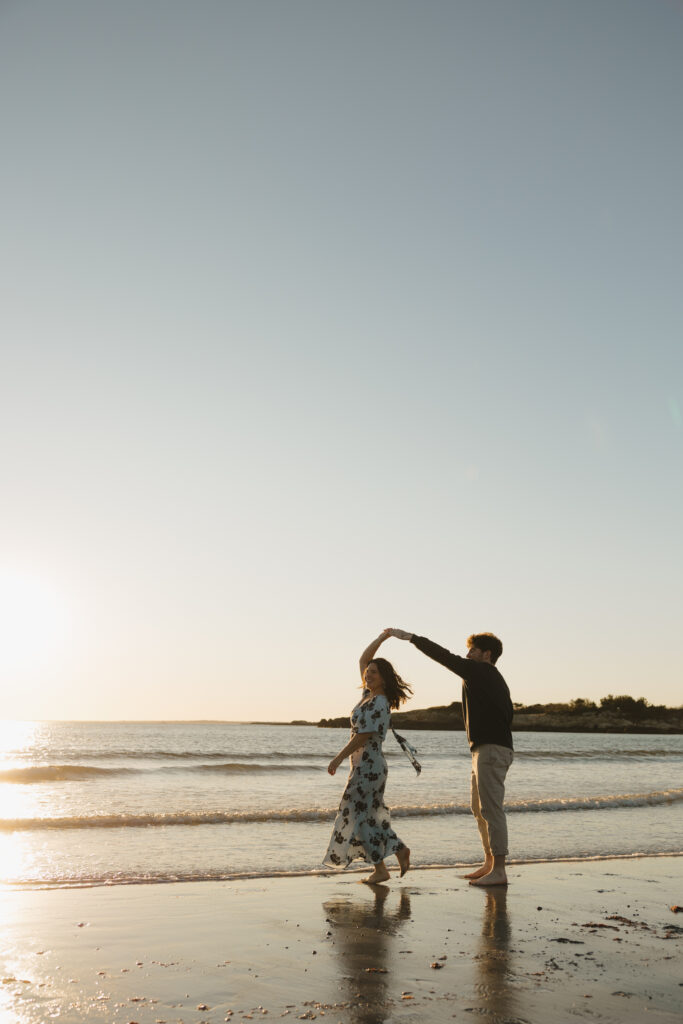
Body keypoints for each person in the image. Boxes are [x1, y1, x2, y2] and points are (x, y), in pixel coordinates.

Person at [387, 628, 513, 886]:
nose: (467, 655)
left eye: (473, 651)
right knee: (478, 809)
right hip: (485, 749)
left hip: (491, 749)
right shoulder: (487, 677)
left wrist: (412, 638)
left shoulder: (482, 672)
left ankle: (499, 869)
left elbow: (444, 656)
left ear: (487, 654)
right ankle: (490, 863)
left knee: (490, 809)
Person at [323, 629, 418, 884]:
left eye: (374, 672)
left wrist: (338, 758)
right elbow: (362, 660)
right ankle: (394, 853)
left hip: (369, 766)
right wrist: (382, 638)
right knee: (365, 815)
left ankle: (384, 865)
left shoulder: (379, 702)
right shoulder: (369, 696)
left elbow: (363, 736)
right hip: (365, 766)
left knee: (357, 814)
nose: (367, 673)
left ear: (384, 679)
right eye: (368, 672)